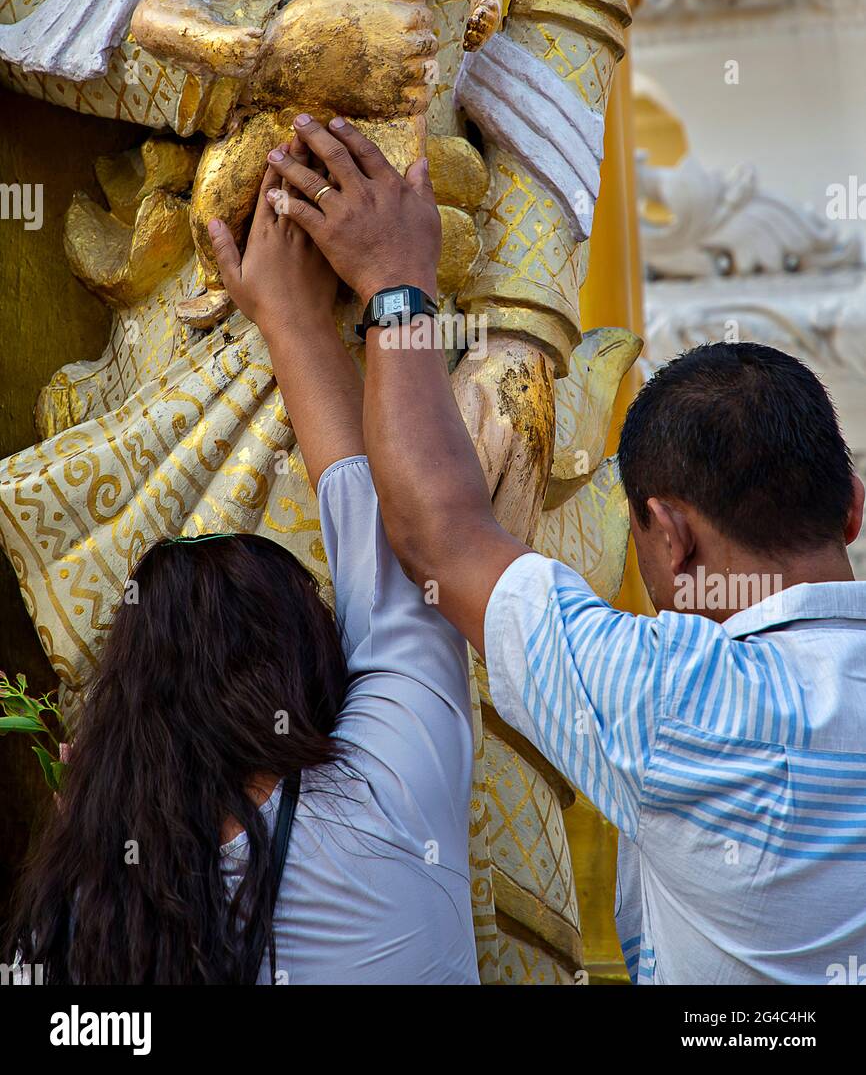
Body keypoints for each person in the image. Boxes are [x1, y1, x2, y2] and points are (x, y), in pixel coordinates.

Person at [237, 113, 866, 986]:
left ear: (672, 539)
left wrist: (393, 283)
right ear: (852, 511)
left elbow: (439, 536)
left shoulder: (682, 699)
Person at [9, 153, 477, 986]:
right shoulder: (389, 794)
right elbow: (403, 542)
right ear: (313, 663)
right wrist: (364, 291)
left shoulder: (80, 921)